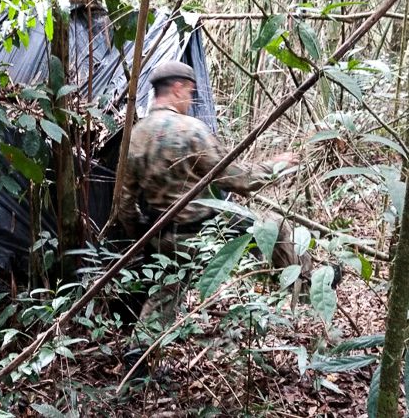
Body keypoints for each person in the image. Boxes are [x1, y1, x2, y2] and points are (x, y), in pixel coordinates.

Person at [117, 61, 311, 349]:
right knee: (275, 226)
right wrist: (276, 165)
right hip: (200, 233)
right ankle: (309, 287)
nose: (190, 101)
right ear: (178, 88)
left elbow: (124, 202)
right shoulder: (191, 130)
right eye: (190, 92)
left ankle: (138, 355)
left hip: (161, 236)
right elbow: (237, 179)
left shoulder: (135, 135)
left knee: (165, 294)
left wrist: (142, 236)